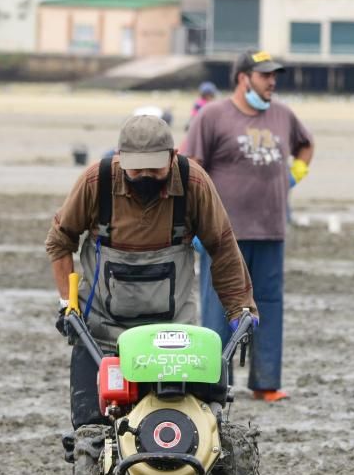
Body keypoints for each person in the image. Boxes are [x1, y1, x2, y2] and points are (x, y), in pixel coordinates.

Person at [45, 114, 259, 429]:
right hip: (104, 333)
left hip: (173, 337)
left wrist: (240, 308)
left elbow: (223, 246)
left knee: (196, 422)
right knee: (93, 427)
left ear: (173, 158)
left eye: (154, 168)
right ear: (119, 159)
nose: (145, 175)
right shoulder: (97, 182)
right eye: (137, 168)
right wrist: (68, 304)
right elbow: (59, 241)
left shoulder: (193, 183)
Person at [182, 50, 314, 402]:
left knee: (268, 306)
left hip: (271, 230)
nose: (272, 82)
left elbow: (306, 144)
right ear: (244, 78)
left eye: (275, 76)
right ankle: (211, 383)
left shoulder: (284, 115)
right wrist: (195, 222)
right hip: (224, 236)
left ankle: (266, 382)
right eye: (265, 75)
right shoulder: (212, 116)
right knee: (218, 308)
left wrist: (294, 175)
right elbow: (191, 166)